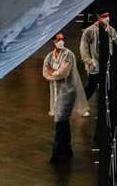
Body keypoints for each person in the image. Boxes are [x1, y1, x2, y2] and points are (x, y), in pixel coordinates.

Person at [42, 33, 88, 163]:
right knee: (63, 120)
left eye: (62, 39)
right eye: (58, 39)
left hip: (68, 92)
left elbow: (63, 73)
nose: (61, 41)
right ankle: (67, 149)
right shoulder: (50, 56)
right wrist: (52, 73)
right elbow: (45, 72)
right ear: (53, 42)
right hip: (56, 92)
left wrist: (53, 72)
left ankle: (56, 152)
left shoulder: (68, 55)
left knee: (60, 120)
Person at [79, 12, 117, 104]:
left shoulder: (111, 30)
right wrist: (89, 61)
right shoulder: (89, 31)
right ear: (98, 17)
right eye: (104, 16)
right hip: (95, 64)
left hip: (108, 64)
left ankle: (107, 105)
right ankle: (81, 105)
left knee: (107, 86)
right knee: (91, 86)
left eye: (108, 16)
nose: (107, 18)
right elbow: (83, 47)